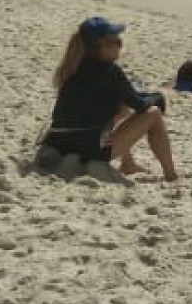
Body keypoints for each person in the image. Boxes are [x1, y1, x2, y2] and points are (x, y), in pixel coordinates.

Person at [42, 17, 177, 181]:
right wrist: (158, 97)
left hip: (58, 143)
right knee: (153, 113)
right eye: (116, 41)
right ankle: (171, 175)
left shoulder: (72, 68)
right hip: (87, 149)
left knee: (120, 109)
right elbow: (140, 106)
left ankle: (128, 163)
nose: (120, 45)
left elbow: (124, 100)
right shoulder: (110, 72)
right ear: (100, 46)